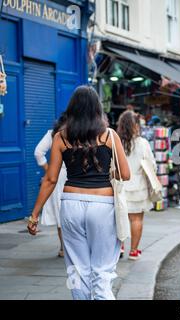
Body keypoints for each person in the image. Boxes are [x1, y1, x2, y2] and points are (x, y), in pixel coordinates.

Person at [27, 86, 130, 300]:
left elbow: (51, 179)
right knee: (101, 272)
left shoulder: (60, 137)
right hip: (103, 204)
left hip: (71, 204)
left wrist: (34, 215)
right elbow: (125, 174)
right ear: (97, 109)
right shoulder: (109, 136)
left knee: (76, 268)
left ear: (72, 108)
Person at [117, 110, 156, 261]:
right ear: (135, 126)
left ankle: (119, 247)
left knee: (118, 219)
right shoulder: (143, 143)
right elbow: (151, 165)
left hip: (119, 186)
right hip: (138, 186)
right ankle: (133, 251)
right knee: (136, 219)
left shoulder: (116, 142)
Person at [34, 113, 68, 258]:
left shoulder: (53, 134)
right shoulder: (77, 132)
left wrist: (49, 170)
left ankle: (63, 248)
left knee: (61, 212)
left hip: (58, 176)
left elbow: (38, 153)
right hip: (73, 175)